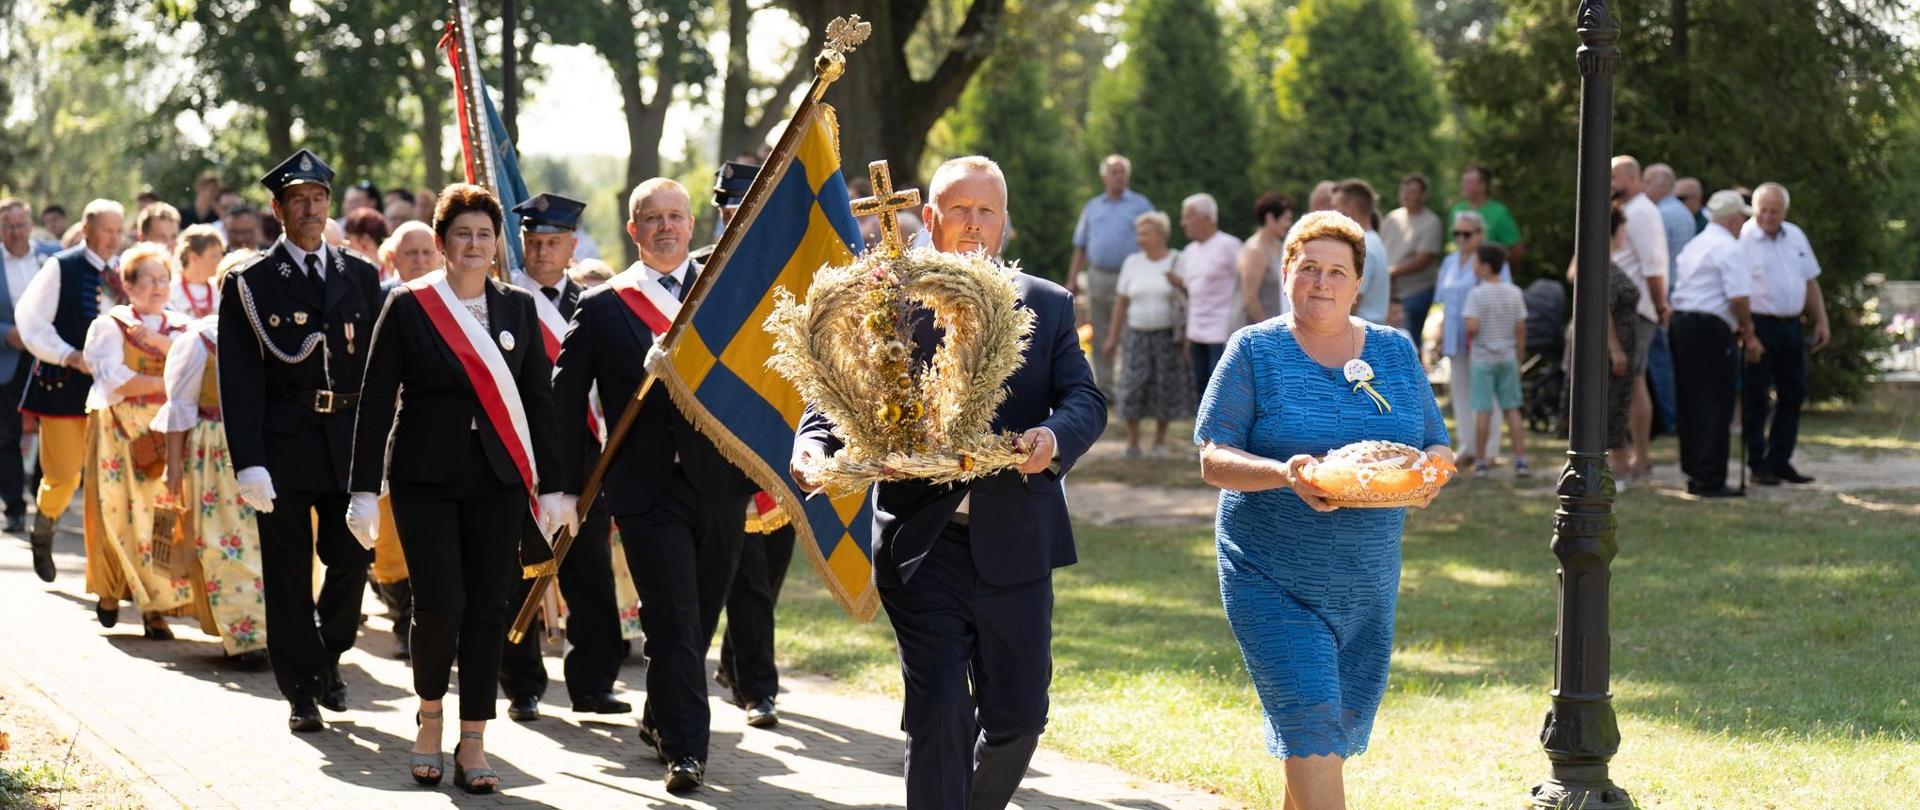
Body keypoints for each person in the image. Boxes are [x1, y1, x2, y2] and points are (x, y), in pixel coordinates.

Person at [791, 155, 1106, 810]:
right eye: (958, 209)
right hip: (920, 542)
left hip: (1018, 543)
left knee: (1019, 717)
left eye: (986, 210)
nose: (972, 223)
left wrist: (1050, 442)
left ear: (1004, 221)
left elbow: (1084, 400)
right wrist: (812, 446)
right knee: (938, 711)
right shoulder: (888, 299)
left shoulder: (1046, 304)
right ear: (930, 218)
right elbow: (831, 396)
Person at [1193, 210, 1450, 810]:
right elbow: (1213, 458)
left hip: (1366, 581)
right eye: (1309, 268)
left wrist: (1432, 473)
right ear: (1286, 273)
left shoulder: (1393, 350)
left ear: (1359, 283)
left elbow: (1435, 440)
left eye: (1338, 271)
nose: (1322, 283)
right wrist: (1286, 473)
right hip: (1269, 575)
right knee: (1310, 728)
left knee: (1317, 738)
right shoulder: (1253, 350)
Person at [345, 182, 563, 794]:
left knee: (488, 606)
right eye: (462, 234)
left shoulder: (517, 308)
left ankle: (473, 738)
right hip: (424, 480)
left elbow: (539, 402)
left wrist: (552, 488)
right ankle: (429, 717)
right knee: (439, 602)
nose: (473, 244)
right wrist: (363, 489)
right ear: (441, 243)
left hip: (497, 480)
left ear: (497, 245)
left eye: (484, 235)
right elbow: (375, 401)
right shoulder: (409, 306)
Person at [550, 177, 757, 792]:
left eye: (675, 216)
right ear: (633, 230)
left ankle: (661, 712)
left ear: (692, 227)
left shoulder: (724, 295)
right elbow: (564, 402)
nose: (665, 226)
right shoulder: (604, 305)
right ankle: (688, 751)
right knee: (673, 619)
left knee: (703, 617)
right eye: (651, 218)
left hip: (719, 484)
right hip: (645, 493)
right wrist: (561, 487)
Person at [217, 149, 385, 734]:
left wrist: (373, 467)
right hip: (284, 441)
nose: (310, 209)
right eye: (298, 200)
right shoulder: (252, 282)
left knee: (350, 562)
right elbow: (238, 379)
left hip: (344, 439)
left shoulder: (360, 275)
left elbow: (376, 375)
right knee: (288, 573)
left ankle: (328, 654)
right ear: (278, 209)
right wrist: (250, 462)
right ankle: (301, 691)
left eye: (318, 199)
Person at [497, 191, 629, 723]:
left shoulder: (595, 303)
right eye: (534, 242)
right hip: (520, 453)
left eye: (553, 242)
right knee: (519, 571)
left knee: (590, 569)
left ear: (572, 246)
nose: (542, 252)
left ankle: (593, 683)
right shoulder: (500, 299)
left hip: (582, 454)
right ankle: (522, 681)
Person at [701, 162, 789, 729]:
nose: (741, 218)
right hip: (718, 448)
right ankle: (759, 686)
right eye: (732, 209)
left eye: (750, 208)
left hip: (780, 447)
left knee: (769, 574)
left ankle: (736, 662)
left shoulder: (791, 270)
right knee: (747, 576)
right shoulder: (696, 276)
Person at [151, 248, 270, 666]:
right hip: (216, 450)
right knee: (226, 545)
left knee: (272, 544)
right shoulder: (201, 339)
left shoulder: (278, 335)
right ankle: (246, 637)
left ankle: (275, 632)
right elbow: (179, 408)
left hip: (271, 446)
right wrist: (174, 469)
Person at [78, 243, 193, 638]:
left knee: (160, 516)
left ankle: (154, 607)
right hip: (118, 435)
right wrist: (169, 384)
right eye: (149, 279)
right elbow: (116, 382)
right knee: (115, 513)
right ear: (128, 285)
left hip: (166, 435)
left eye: (164, 279)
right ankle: (110, 592)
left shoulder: (181, 327)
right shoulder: (109, 326)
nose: (158, 287)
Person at [18, 199, 128, 581]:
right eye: (107, 230)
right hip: (63, 386)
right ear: (87, 230)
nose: (114, 238)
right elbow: (30, 320)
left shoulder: (122, 272)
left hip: (111, 390)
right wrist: (68, 355)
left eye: (119, 230)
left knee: (105, 480)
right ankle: (44, 528)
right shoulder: (61, 266)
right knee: (65, 475)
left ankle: (106, 573)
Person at [1670, 190, 1759, 498]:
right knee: (1714, 401)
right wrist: (1748, 330)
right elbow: (1737, 297)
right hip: (1710, 327)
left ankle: (1694, 470)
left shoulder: (1696, 243)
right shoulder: (1728, 247)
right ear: (1734, 218)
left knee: (1691, 399)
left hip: (1683, 323)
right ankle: (1710, 477)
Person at [1740, 182, 1828, 486]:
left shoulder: (1796, 236)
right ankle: (1757, 462)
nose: (1767, 216)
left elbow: (1810, 281)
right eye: (1762, 210)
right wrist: (1746, 332)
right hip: (1758, 324)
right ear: (1754, 208)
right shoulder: (1744, 239)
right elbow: (1736, 291)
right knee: (1756, 396)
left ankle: (1780, 460)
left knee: (1793, 392)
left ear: (1784, 211)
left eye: (1774, 211)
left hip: (1792, 324)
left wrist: (1822, 321)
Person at [1103, 210, 1192, 458]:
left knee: (1164, 386)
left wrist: (1181, 284)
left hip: (1167, 335)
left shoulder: (1178, 259)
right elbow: (1121, 303)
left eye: (1145, 233)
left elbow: (1192, 295)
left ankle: (1160, 440)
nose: (1140, 238)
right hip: (1137, 333)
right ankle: (1132, 440)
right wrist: (1112, 337)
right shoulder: (1132, 262)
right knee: (1133, 385)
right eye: (1138, 233)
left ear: (1161, 234)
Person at [1564, 204, 1641, 484]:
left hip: (1616, 347)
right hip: (1608, 351)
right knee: (1609, 410)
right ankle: (1613, 473)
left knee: (1615, 407)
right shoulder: (1599, 263)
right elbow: (1602, 309)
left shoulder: (1600, 260)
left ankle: (1617, 471)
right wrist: (1615, 349)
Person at [1066, 154, 1154, 399]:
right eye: (1114, 172)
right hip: (1098, 276)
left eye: (1123, 172)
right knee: (1100, 330)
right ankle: (1105, 390)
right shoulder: (1093, 207)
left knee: (1130, 331)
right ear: (1104, 176)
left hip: (1132, 276)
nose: (1119, 176)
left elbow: (1155, 238)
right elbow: (1080, 246)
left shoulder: (1140, 205)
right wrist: (1072, 278)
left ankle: (1129, 389)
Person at [1609, 155, 1671, 483]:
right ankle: (1626, 456)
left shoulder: (1642, 212)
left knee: (1630, 382)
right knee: (1626, 382)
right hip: (1619, 307)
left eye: (1614, 177)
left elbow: (1653, 265)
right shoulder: (1626, 211)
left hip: (1635, 310)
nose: (1609, 184)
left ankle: (1640, 457)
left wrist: (1661, 306)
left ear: (1633, 178)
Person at [1434, 211, 1511, 465]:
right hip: (1455, 337)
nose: (1461, 239)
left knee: (1486, 394)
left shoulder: (1493, 262)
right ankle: (1467, 446)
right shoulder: (1449, 262)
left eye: (1466, 234)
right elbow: (1444, 302)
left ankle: (1488, 449)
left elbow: (1503, 296)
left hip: (1484, 337)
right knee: (1460, 391)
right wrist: (1439, 333)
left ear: (1479, 235)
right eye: (1456, 234)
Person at [1462, 243, 1530, 478]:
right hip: (1508, 357)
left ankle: (1480, 461)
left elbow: (1472, 326)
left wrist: (1468, 333)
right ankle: (1520, 458)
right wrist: (1519, 355)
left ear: (1485, 267)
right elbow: (1521, 327)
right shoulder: (1514, 292)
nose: (1473, 267)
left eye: (1476, 263)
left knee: (1483, 410)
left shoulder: (1477, 294)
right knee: (1512, 409)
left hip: (1482, 359)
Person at [1169, 193, 1244, 402]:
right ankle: (1205, 434)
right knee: (1201, 390)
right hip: (1196, 332)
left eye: (1188, 216)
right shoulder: (1190, 251)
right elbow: (1193, 291)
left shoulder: (1229, 245)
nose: (1183, 223)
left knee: (1221, 390)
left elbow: (1245, 282)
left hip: (1222, 331)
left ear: (1207, 217)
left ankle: (1224, 434)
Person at [0, 199, 42, 534]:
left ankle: (47, 504)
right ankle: (14, 506)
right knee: (7, 435)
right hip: (8, 358)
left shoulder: (51, 257)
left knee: (55, 430)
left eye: (20, 225)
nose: (15, 233)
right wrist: (5, 333)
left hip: (49, 358)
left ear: (30, 225)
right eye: (8, 226)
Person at [1381, 173, 1443, 345]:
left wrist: (1391, 272)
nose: (1406, 194)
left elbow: (1424, 259)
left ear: (1423, 195)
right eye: (1404, 189)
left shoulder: (1431, 222)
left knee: (1408, 342)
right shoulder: (1392, 218)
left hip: (1415, 291)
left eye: (1412, 191)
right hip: (1390, 292)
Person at [1333, 179, 1392, 325]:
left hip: (1361, 336)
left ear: (1351, 208)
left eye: (1336, 207)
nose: (1332, 214)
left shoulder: (1364, 245)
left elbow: (1353, 301)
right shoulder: (1373, 241)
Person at [1238, 192, 1295, 325]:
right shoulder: (1255, 250)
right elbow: (1250, 298)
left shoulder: (1279, 247)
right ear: (1270, 218)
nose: (1289, 224)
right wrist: (1267, 335)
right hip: (1257, 333)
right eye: (1286, 219)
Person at [1450, 164, 1524, 263]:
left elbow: (1516, 251)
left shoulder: (1499, 213)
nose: (1463, 185)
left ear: (1483, 185)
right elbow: (1452, 244)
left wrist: (1495, 270)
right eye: (1463, 181)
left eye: (1469, 182)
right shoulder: (1457, 210)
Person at [169, 224, 224, 318]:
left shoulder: (220, 289)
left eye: (221, 254)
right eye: (214, 255)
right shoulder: (170, 291)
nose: (221, 260)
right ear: (193, 257)